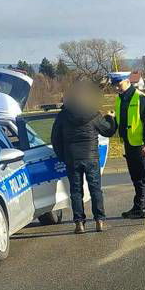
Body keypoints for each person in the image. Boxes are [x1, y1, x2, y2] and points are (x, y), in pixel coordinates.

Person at [51, 80, 118, 234]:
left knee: (75, 191)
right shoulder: (93, 114)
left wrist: (63, 156)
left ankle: (79, 223)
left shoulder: (63, 116)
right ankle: (99, 220)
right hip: (91, 157)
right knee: (95, 189)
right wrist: (110, 118)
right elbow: (108, 131)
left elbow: (55, 139)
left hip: (72, 158)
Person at [114, 71, 145, 219]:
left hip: (141, 144)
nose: (116, 88)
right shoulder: (119, 99)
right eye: (114, 85)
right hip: (128, 143)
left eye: (119, 84)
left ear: (127, 81)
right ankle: (139, 206)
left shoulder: (140, 98)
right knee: (136, 177)